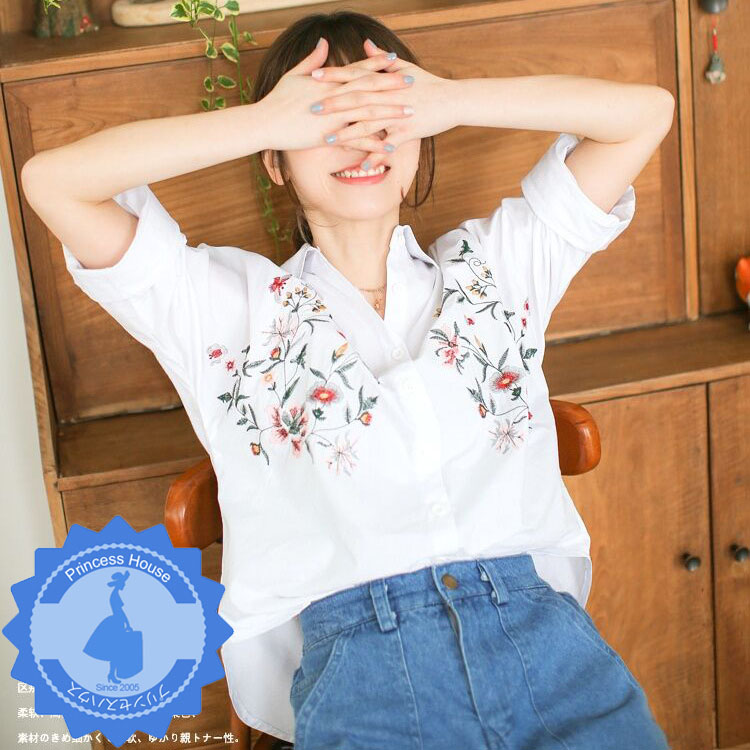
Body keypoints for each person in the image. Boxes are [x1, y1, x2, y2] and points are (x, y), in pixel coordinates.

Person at [21, 9, 675, 749]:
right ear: (276, 161)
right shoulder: (223, 310)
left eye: (384, 116)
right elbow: (53, 182)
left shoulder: (500, 266)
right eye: (327, 119)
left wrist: (452, 100)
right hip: (366, 676)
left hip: (549, 652)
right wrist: (266, 123)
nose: (362, 141)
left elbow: (646, 114)